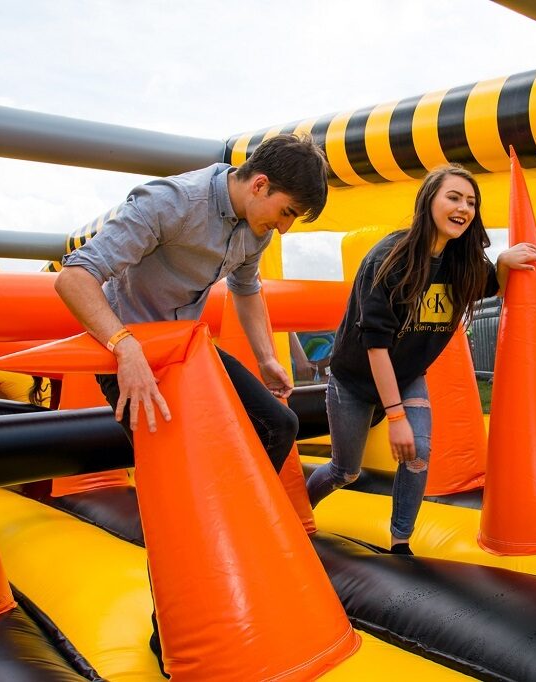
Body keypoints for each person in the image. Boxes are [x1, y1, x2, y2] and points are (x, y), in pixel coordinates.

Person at [54, 134, 329, 673]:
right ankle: (173, 629)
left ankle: (233, 535)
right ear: (259, 184)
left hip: (185, 347)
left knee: (278, 425)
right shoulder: (171, 203)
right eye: (287, 211)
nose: (285, 226)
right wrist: (123, 347)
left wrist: (267, 357)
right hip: (127, 352)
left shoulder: (256, 228)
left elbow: (247, 292)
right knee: (177, 487)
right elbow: (74, 277)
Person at [305, 164, 536, 555]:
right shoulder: (388, 258)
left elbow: (490, 287)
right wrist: (395, 417)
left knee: (418, 454)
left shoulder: (461, 262)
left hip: (406, 375)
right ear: (428, 201)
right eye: (453, 197)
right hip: (354, 379)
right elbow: (376, 345)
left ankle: (401, 541)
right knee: (345, 471)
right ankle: (298, 511)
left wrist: (502, 262)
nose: (463, 208)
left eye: (471, 201)